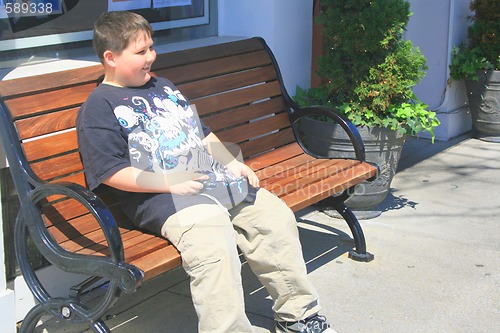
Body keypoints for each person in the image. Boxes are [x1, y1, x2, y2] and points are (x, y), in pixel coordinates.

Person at [77, 11, 337, 333]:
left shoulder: (163, 86)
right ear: (110, 57)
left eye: (151, 48)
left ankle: (298, 315)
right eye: (141, 51)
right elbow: (110, 172)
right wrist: (169, 182)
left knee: (272, 216)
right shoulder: (98, 107)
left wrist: (233, 163)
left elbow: (201, 133)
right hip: (161, 197)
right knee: (213, 241)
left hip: (214, 180)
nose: (151, 57)